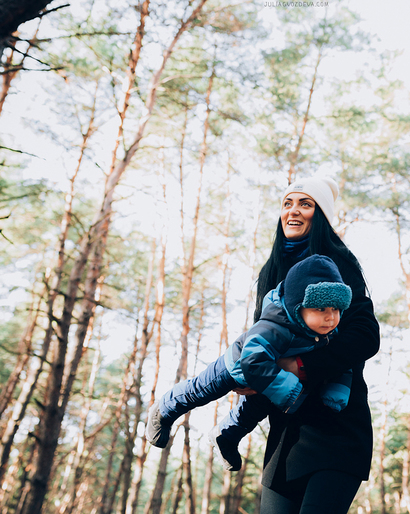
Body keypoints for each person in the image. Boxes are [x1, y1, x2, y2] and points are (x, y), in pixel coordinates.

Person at [145, 254, 354, 472]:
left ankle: (226, 435)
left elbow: (342, 362)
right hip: (235, 366)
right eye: (321, 309)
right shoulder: (273, 326)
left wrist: (336, 392)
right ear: (297, 306)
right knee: (200, 391)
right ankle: (164, 409)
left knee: (254, 411)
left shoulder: (327, 334)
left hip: (270, 376)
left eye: (336, 309)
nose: (331, 317)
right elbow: (253, 361)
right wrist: (290, 391)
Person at [250, 176, 381, 514]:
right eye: (287, 203)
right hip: (285, 436)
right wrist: (249, 379)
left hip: (336, 429)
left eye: (305, 204)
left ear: (320, 215)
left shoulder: (336, 263)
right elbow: (261, 341)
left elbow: (365, 334)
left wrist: (301, 367)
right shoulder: (271, 272)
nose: (293, 211)